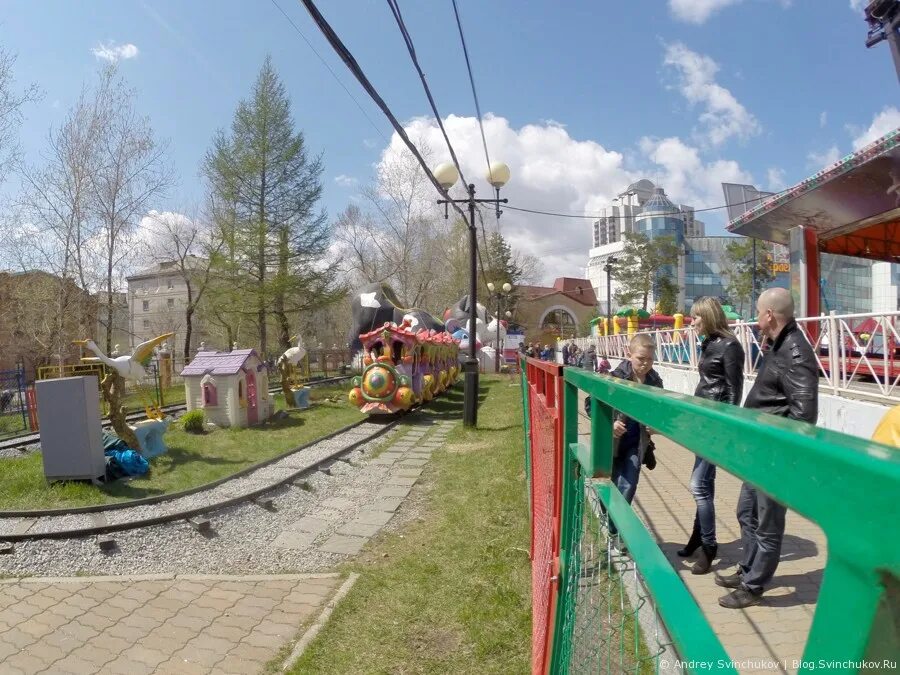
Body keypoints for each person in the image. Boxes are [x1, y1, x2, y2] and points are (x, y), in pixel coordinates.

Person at [716, 287, 818, 609]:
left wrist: (782, 454)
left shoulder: (796, 354)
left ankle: (754, 585)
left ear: (770, 315)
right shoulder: (778, 344)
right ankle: (748, 568)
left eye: (758, 312)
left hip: (774, 456)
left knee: (768, 523)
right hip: (760, 451)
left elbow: (804, 415)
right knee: (746, 511)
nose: (756, 318)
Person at [677, 297, 745, 575]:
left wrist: (723, 428)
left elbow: (733, 391)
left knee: (698, 486)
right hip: (702, 422)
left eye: (695, 317)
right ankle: (698, 536)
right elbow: (707, 384)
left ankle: (709, 545)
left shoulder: (730, 346)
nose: (692, 321)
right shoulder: (708, 343)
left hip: (714, 426)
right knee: (705, 484)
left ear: (708, 316)